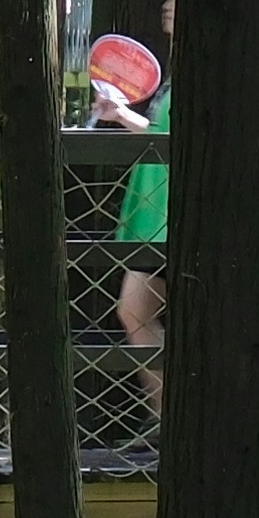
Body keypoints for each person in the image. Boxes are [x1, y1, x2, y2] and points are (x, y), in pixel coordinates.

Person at [89, 29, 170, 354]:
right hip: (154, 218)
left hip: (166, 219)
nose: (167, 5)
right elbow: (161, 133)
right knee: (136, 313)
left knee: (135, 313)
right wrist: (120, 114)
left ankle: (166, 405)